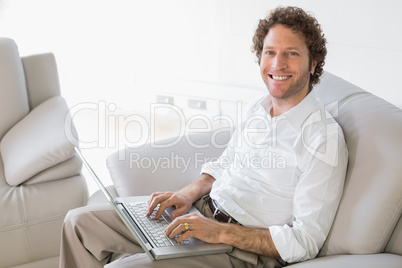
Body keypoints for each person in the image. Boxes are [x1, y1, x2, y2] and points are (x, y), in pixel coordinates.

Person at [60, 6, 348, 268]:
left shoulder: (323, 138)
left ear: (313, 64)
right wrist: (187, 193)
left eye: (292, 53)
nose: (277, 64)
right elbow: (226, 164)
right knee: (78, 224)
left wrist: (220, 232)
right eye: (270, 52)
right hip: (200, 215)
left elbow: (305, 241)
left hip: (239, 250)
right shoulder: (258, 108)